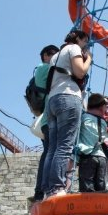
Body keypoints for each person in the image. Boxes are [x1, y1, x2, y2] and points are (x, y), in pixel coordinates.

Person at [41, 30, 92, 199]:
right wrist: (89, 59)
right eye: (85, 41)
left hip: (53, 101)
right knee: (65, 146)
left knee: (52, 148)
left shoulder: (57, 55)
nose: (85, 45)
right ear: (78, 38)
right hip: (68, 97)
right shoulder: (74, 48)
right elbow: (80, 72)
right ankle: (57, 187)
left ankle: (48, 189)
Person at [32, 44, 60, 202]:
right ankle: (43, 190)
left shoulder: (50, 69)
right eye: (51, 54)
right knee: (50, 152)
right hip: (49, 118)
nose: (55, 56)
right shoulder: (43, 67)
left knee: (51, 151)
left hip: (48, 117)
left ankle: (42, 190)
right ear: (45, 56)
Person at [76, 93, 108, 192]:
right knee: (101, 186)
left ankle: (88, 207)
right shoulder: (104, 122)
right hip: (102, 157)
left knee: (87, 187)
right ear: (100, 107)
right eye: (105, 106)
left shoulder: (83, 117)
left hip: (87, 155)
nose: (106, 109)